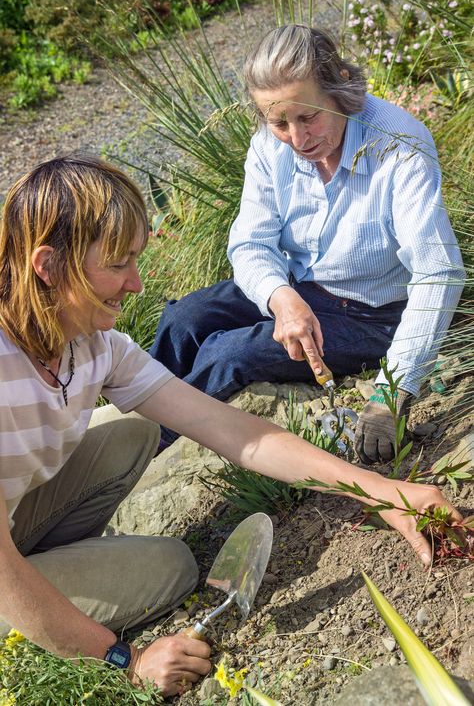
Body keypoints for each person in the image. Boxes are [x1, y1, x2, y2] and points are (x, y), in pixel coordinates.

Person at [0, 156, 463, 698]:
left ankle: (43, 577)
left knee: (131, 434)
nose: (136, 283)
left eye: (136, 261)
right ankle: (29, 609)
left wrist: (385, 492)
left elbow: (235, 432)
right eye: (117, 265)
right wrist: (125, 660)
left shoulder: (91, 345)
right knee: (171, 568)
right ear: (48, 266)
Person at [149, 24, 466, 463]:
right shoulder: (269, 145)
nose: (297, 140)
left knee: (230, 352)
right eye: (279, 122)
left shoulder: (400, 145)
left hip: (372, 315)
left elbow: (439, 272)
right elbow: (249, 244)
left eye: (308, 117)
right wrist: (281, 298)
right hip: (298, 285)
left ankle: (148, 451)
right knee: (186, 319)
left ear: (340, 89)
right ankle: (128, 423)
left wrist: (392, 391)